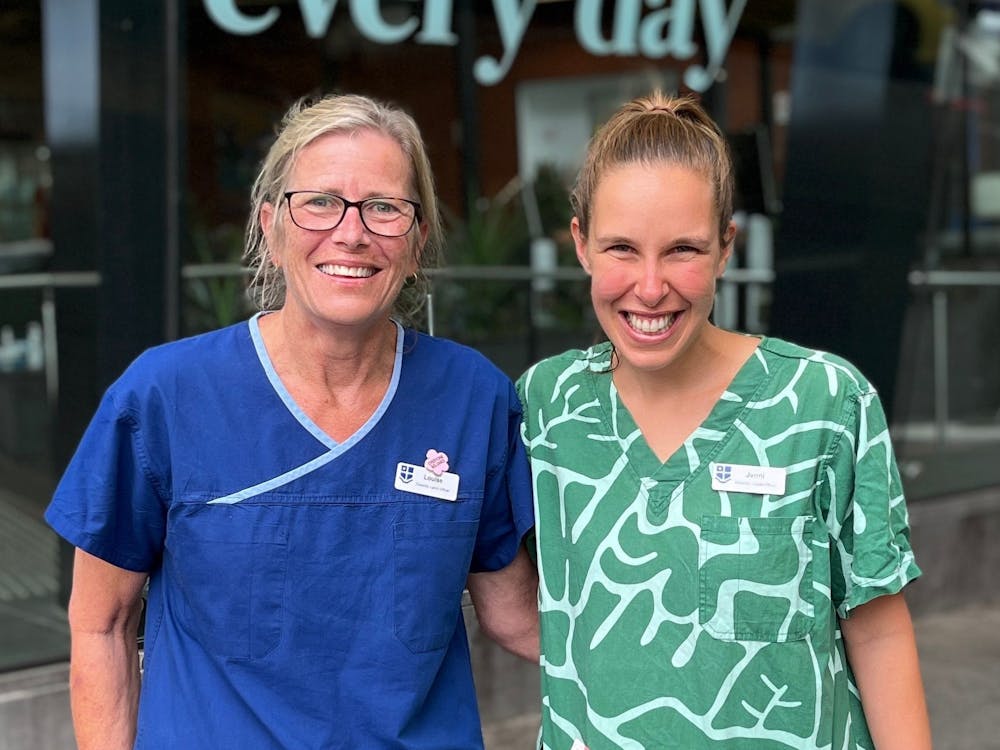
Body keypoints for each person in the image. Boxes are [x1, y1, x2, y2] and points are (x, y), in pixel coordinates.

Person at [45, 92, 538, 750]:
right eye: (321, 202)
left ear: (417, 243)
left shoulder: (473, 399)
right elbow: (101, 625)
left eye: (385, 207)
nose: (352, 231)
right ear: (271, 227)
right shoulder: (165, 397)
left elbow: (517, 617)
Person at [516, 92, 931, 750]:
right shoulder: (545, 407)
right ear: (580, 244)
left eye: (682, 249)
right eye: (622, 248)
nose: (650, 288)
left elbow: (877, 627)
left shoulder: (825, 401)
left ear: (727, 246)